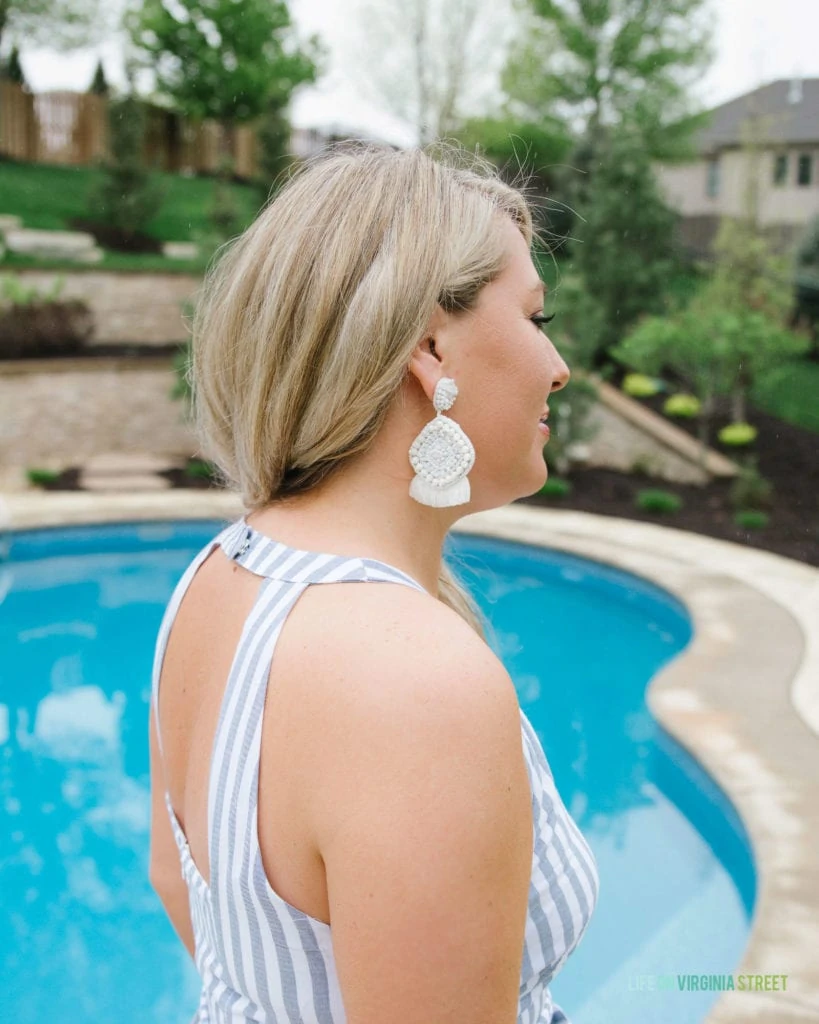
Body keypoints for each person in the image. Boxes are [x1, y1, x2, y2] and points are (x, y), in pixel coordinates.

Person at [148, 140, 599, 1024]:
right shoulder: (413, 685)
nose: (558, 367)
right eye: (535, 318)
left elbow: (178, 883)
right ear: (431, 348)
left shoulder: (216, 576)